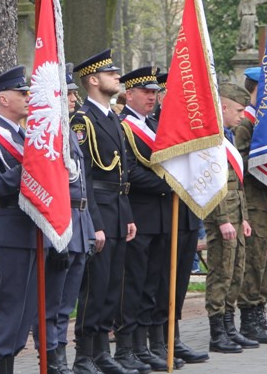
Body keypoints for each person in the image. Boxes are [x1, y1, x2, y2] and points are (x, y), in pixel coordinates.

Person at [70, 49, 137, 374]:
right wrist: (94, 223)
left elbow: (120, 175)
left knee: (112, 287)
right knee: (94, 288)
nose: (117, 78)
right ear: (93, 80)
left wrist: (127, 217)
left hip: (118, 212)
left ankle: (101, 352)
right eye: (111, 74)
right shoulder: (83, 121)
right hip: (99, 213)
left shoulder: (113, 119)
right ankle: (85, 355)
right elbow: (87, 176)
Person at [33, 70, 97, 374]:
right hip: (61, 222)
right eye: (68, 93)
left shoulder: (68, 131)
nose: (74, 98)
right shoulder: (48, 132)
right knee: (53, 300)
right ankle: (51, 355)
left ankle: (59, 353)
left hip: (79, 221)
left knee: (67, 300)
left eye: (73, 93)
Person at [149, 74, 208, 367]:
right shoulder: (153, 125)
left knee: (180, 281)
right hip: (162, 214)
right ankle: (157, 341)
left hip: (186, 211)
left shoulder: (194, 124)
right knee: (161, 281)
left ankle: (174, 338)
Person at [0, 66, 37, 374]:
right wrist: (27, 172)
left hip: (31, 227)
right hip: (7, 228)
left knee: (26, 309)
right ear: (3, 99)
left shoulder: (25, 135)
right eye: (21, 93)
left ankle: (9, 361)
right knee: (9, 304)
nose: (28, 98)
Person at [112, 66, 169, 372]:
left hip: (160, 216)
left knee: (153, 284)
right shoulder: (124, 127)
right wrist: (168, 184)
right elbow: (130, 171)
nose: (152, 97)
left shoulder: (157, 125)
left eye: (154, 92)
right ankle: (127, 346)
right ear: (129, 94)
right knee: (132, 284)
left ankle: (145, 344)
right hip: (137, 214)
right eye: (146, 92)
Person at [233, 67, 267, 343]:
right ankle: (249, 317)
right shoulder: (246, 123)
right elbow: (240, 164)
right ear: (255, 89)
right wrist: (263, 160)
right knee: (254, 262)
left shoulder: (263, 120)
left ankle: (260, 312)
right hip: (252, 202)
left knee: (266, 261)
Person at [205, 82, 253, 354]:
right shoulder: (212, 139)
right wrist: (223, 219)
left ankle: (229, 327)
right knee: (221, 272)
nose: (242, 115)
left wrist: (243, 217)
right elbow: (214, 183)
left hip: (236, 214)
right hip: (221, 216)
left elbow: (237, 183)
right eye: (238, 109)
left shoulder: (228, 136)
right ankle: (217, 332)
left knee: (236, 272)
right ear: (222, 106)